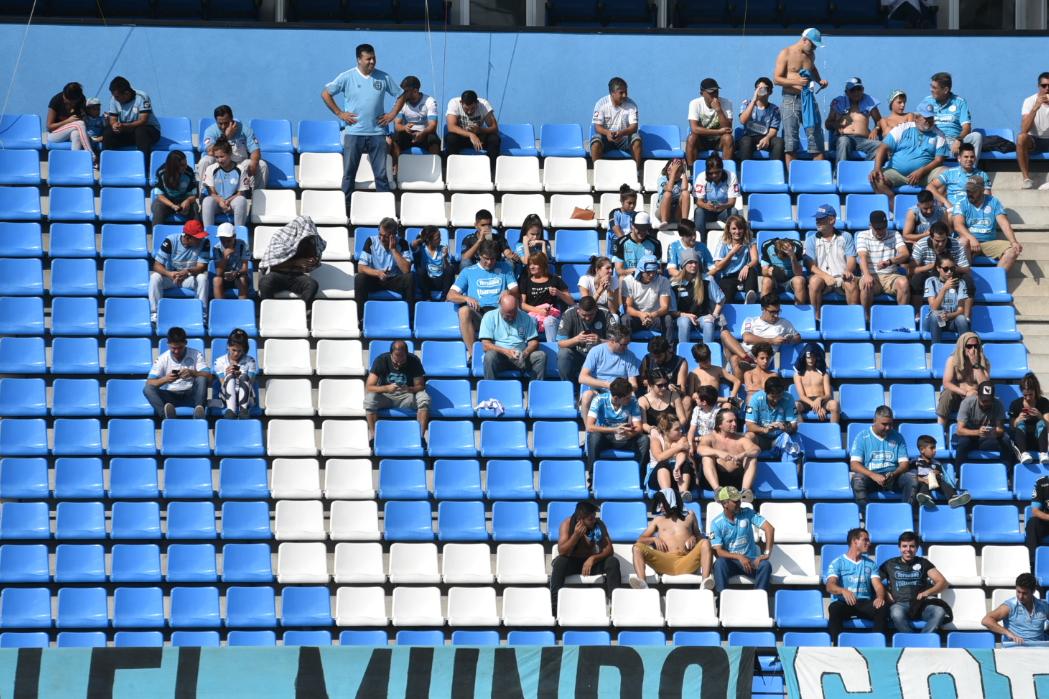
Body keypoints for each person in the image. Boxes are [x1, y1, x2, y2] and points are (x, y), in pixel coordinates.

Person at [322, 43, 406, 198]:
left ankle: (384, 207)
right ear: (359, 59)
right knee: (349, 174)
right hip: (354, 132)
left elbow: (401, 95)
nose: (372, 62)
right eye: (368, 59)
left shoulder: (384, 77)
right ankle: (346, 209)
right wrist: (340, 113)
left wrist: (392, 114)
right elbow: (326, 94)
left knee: (381, 175)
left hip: (377, 133)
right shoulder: (346, 77)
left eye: (374, 58)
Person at [447, 240, 518, 359]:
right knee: (464, 311)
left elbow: (516, 290)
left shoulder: (505, 268)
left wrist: (508, 292)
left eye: (493, 259)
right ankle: (473, 354)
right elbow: (450, 295)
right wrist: (466, 297)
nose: (489, 262)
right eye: (486, 258)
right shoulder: (468, 271)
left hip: (499, 314)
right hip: (479, 313)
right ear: (479, 255)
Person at [551, 501, 622, 615]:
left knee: (612, 562)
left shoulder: (598, 524)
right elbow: (562, 551)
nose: (594, 520)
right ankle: (555, 609)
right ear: (580, 519)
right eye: (590, 519)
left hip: (590, 564)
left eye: (594, 517)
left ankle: (616, 607)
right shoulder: (567, 523)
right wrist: (575, 535)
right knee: (560, 562)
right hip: (572, 563)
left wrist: (593, 558)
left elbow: (609, 550)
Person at [632, 489, 713, 589]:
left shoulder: (690, 516)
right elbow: (640, 539)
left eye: (663, 503)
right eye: (659, 503)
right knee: (637, 548)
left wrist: (694, 538)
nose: (660, 506)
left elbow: (699, 536)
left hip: (685, 560)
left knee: (705, 543)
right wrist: (653, 539)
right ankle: (642, 584)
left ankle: (705, 583)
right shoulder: (658, 520)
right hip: (664, 562)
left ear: (672, 501)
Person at [773, 28, 828, 166]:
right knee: (791, 142)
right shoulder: (786, 53)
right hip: (790, 99)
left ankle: (819, 180)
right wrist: (796, 81)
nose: (814, 47)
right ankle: (794, 180)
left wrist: (819, 80)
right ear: (804, 40)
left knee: (816, 139)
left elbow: (812, 68)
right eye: (813, 44)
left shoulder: (811, 55)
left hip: (808, 99)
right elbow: (777, 79)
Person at [870, 102, 949, 198]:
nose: (929, 121)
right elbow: (883, 147)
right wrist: (877, 169)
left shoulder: (939, 134)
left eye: (931, 118)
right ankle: (895, 208)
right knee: (876, 179)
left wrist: (921, 171)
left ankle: (933, 208)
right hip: (897, 172)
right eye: (925, 118)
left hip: (925, 174)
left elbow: (939, 160)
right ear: (916, 118)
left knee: (947, 174)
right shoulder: (903, 128)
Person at [879, 531, 950, 635]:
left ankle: (923, 639)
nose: (908, 550)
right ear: (899, 548)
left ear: (917, 548)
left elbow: (942, 582)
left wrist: (927, 592)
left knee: (940, 611)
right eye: (904, 546)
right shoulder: (889, 564)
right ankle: (911, 640)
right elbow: (874, 581)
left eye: (912, 546)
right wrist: (885, 593)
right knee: (896, 613)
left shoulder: (923, 563)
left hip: (920, 605)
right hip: (899, 604)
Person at [826, 528, 889, 641]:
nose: (869, 543)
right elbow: (830, 585)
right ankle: (837, 646)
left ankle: (876, 644)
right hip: (845, 603)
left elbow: (878, 586)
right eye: (865, 540)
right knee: (834, 608)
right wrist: (843, 591)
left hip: (865, 603)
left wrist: (879, 597)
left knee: (882, 607)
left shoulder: (870, 564)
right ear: (855, 541)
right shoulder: (838, 562)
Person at [849, 406, 918, 508]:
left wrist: (894, 474)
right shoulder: (862, 437)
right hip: (871, 477)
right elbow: (854, 465)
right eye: (884, 424)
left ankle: (905, 516)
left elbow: (904, 464)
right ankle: (868, 517)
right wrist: (873, 475)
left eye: (890, 424)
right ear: (874, 421)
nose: (888, 428)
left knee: (911, 479)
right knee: (857, 480)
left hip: (893, 477)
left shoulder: (898, 437)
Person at [364, 338, 430, 444]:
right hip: (386, 396)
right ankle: (374, 437)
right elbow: (369, 387)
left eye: (402, 361)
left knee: (424, 398)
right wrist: (386, 388)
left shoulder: (413, 360)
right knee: (369, 400)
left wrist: (409, 389)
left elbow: (421, 386)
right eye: (396, 361)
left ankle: (420, 437)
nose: (398, 364)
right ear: (391, 354)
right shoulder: (381, 360)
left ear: (407, 354)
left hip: (407, 396)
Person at [709, 485, 773, 592]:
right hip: (730, 563)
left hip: (750, 561)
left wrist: (766, 553)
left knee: (765, 565)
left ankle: (758, 600)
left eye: (739, 500)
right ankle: (721, 601)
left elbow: (769, 529)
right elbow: (718, 551)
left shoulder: (748, 512)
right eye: (735, 501)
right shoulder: (716, 523)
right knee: (719, 564)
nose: (739, 503)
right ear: (725, 504)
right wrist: (738, 557)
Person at [722, 293, 800, 379]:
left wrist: (790, 339)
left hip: (762, 359)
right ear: (763, 309)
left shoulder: (784, 323)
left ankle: (739, 386)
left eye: (778, 311)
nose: (776, 315)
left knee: (735, 359)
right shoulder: (751, 320)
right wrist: (771, 340)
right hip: (743, 352)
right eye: (772, 312)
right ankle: (746, 358)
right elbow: (747, 338)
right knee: (724, 333)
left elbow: (798, 337)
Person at [355, 217, 415, 329]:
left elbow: (406, 269)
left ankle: (409, 319)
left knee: (410, 278)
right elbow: (361, 267)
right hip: (376, 278)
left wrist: (393, 250)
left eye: (386, 237)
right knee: (360, 278)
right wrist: (378, 273)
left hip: (393, 279)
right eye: (380, 235)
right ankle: (361, 319)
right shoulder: (371, 241)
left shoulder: (402, 243)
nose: (382, 239)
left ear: (394, 235)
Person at [953, 177, 1023, 272]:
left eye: (973, 191)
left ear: (982, 190)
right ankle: (967, 279)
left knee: (1013, 250)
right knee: (962, 242)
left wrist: (1013, 241)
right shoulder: (961, 203)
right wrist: (971, 238)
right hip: (968, 243)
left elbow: (1004, 224)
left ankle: (996, 282)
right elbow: (958, 225)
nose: (969, 194)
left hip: (988, 243)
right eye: (968, 190)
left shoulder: (993, 202)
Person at [148, 220, 210, 325]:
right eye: (198, 237)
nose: (201, 239)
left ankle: (202, 315)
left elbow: (201, 266)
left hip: (189, 277)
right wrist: (170, 274)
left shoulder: (205, 242)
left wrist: (188, 271)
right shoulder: (171, 241)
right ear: (188, 237)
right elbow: (157, 265)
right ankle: (155, 315)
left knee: (202, 279)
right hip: (170, 277)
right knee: (155, 277)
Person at [804, 204, 859, 320]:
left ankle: (853, 319)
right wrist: (825, 276)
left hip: (841, 276)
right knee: (814, 281)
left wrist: (848, 271)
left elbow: (852, 259)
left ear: (832, 220)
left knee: (851, 281)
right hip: (821, 277)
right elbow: (811, 266)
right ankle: (815, 319)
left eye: (821, 219)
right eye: (817, 219)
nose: (817, 221)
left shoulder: (846, 236)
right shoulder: (811, 240)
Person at [143, 326, 209, 419]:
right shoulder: (163, 358)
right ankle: (166, 416)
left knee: (202, 378)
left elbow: (209, 376)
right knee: (147, 389)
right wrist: (166, 379)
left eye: (180, 347)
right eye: (173, 348)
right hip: (169, 396)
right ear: (168, 344)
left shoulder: (196, 354)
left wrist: (193, 373)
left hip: (191, 394)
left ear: (186, 343)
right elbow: (149, 382)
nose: (177, 351)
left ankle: (199, 414)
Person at [585, 377, 649, 472]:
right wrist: (614, 430)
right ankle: (592, 477)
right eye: (627, 398)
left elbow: (639, 428)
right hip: (605, 437)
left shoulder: (633, 401)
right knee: (594, 437)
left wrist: (631, 433)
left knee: (644, 439)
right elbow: (589, 427)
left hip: (624, 437)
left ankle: (639, 476)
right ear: (616, 398)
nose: (630, 399)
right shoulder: (599, 400)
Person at [258, 215, 324, 306]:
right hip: (278, 274)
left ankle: (302, 311)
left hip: (297, 276)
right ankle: (269, 309)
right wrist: (296, 262)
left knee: (312, 284)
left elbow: (311, 260)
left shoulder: (308, 240)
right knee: (265, 282)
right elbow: (273, 263)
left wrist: (312, 261)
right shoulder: (279, 237)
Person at [197, 105, 267, 191]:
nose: (223, 126)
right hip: (219, 163)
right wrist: (226, 136)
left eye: (226, 123)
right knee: (205, 161)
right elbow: (211, 152)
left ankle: (258, 196)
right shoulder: (210, 131)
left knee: (262, 165)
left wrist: (254, 164)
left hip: (240, 164)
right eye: (220, 123)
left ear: (232, 119)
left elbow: (255, 151)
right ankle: (204, 192)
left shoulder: (245, 130)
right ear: (216, 121)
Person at [479, 293, 546, 381]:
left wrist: (526, 352)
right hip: (500, 357)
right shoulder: (489, 317)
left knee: (540, 355)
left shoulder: (526, 317)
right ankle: (491, 391)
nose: (511, 318)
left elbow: (533, 342)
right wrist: (506, 351)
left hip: (521, 357)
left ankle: (536, 390)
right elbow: (486, 345)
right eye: (507, 315)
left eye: (514, 314)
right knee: (489, 356)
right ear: (500, 307)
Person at [856, 210, 910, 319]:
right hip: (872, 276)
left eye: (883, 227)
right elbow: (862, 257)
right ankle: (866, 319)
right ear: (870, 226)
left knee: (903, 282)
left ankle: (902, 318)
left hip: (891, 275)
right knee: (866, 285)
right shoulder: (862, 235)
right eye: (877, 228)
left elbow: (905, 254)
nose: (880, 231)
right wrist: (866, 275)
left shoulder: (895, 234)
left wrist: (890, 261)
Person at [578, 326, 640, 417]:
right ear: (612, 341)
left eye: (627, 344)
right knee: (587, 396)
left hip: (621, 393)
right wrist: (607, 385)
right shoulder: (596, 351)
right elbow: (582, 378)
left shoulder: (630, 356)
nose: (626, 347)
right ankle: (589, 428)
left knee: (632, 396)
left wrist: (622, 390)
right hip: (599, 391)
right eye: (623, 344)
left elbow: (634, 384)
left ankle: (631, 427)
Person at [698, 410, 759, 501]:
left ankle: (745, 492)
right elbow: (700, 449)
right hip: (716, 480)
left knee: (751, 458)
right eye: (730, 421)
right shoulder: (710, 438)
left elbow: (756, 449)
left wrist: (743, 454)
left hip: (736, 480)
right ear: (719, 424)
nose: (734, 424)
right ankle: (717, 491)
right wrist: (718, 452)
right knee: (707, 457)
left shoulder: (741, 439)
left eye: (735, 421)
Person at [921, 72, 982, 161]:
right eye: (931, 86)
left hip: (954, 144)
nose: (931, 90)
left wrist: (958, 140)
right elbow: (920, 125)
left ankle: (970, 172)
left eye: (934, 88)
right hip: (934, 143)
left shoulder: (960, 102)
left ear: (945, 90)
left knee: (977, 136)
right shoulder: (927, 101)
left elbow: (967, 128)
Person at [955, 381, 1017, 467]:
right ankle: (959, 476)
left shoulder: (998, 404)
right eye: (983, 400)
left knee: (1006, 441)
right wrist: (977, 432)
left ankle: (1007, 473)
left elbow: (1000, 429)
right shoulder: (967, 403)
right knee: (962, 443)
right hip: (969, 437)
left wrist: (992, 432)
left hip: (988, 438)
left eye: (989, 400)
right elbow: (959, 430)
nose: (985, 403)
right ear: (978, 396)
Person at [556, 296, 616, 384]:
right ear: (578, 311)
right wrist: (576, 340)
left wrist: (600, 341)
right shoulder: (569, 314)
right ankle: (569, 387)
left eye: (591, 315)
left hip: (598, 357)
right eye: (584, 315)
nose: (587, 318)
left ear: (596, 310)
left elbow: (617, 343)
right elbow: (560, 343)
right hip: (577, 355)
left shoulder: (605, 314)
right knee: (563, 354)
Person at [671, 249, 725, 345]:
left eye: (696, 262)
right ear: (683, 265)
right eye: (690, 262)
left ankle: (707, 354)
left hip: (702, 316)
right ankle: (684, 354)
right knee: (684, 322)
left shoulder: (707, 279)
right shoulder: (674, 283)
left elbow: (720, 300)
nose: (694, 265)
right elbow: (671, 311)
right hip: (682, 317)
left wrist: (714, 315)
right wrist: (686, 315)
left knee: (709, 323)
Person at [937, 332, 991, 426]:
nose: (973, 349)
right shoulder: (952, 360)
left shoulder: (984, 362)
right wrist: (965, 392)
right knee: (947, 393)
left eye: (976, 346)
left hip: (976, 398)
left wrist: (975, 365)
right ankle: (940, 430)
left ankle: (973, 431)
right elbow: (946, 383)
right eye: (969, 346)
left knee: (975, 395)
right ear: (962, 346)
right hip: (957, 397)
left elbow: (985, 386)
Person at [910, 220, 970, 305]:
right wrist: (931, 266)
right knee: (916, 279)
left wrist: (948, 268)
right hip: (928, 273)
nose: (941, 244)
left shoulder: (956, 244)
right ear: (931, 237)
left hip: (950, 274)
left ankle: (966, 314)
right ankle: (917, 313)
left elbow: (966, 269)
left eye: (944, 240)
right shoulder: (921, 244)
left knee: (968, 280)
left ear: (947, 236)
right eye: (937, 241)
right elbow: (912, 270)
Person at [825, 77, 882, 163]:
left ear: (863, 90)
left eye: (858, 89)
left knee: (881, 146)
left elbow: (880, 121)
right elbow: (827, 123)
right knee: (844, 141)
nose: (856, 92)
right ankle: (840, 173)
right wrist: (836, 125)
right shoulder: (839, 102)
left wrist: (876, 129)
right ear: (846, 92)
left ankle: (864, 170)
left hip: (863, 140)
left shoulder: (869, 102)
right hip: (843, 138)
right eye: (852, 90)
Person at [390, 75, 440, 173]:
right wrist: (404, 128)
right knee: (395, 138)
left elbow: (433, 125)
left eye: (406, 91)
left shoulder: (429, 101)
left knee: (434, 140)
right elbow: (397, 125)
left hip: (424, 133)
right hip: (408, 134)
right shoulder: (400, 101)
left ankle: (434, 171)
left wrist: (423, 133)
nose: (403, 94)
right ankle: (397, 168)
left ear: (415, 91)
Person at [981, 573, 1049, 645]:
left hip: (1039, 649)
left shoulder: (1043, 606)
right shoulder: (1009, 606)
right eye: (1018, 592)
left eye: (1024, 593)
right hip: (1015, 649)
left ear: (1033, 591)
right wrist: (1008, 633)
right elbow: (986, 620)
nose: (1020, 596)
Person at [518, 252, 571, 343]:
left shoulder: (555, 280)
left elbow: (571, 302)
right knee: (531, 320)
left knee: (549, 321)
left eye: (535, 264)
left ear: (542, 265)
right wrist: (539, 311)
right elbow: (521, 304)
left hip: (551, 316)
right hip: (533, 315)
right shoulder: (525, 281)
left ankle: (554, 350)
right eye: (530, 264)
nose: (531, 267)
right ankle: (530, 347)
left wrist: (559, 293)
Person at [592, 77, 641, 169]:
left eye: (626, 92)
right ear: (612, 93)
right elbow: (597, 127)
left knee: (637, 140)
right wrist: (608, 133)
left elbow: (634, 127)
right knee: (595, 143)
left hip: (624, 139)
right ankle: (597, 174)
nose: (624, 95)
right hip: (606, 139)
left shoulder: (632, 105)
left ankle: (636, 174)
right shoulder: (600, 104)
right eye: (621, 93)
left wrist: (621, 133)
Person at [922, 253, 972, 343]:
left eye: (952, 269)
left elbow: (961, 310)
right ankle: (936, 348)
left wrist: (948, 316)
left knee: (962, 319)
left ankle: (965, 350)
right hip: (934, 320)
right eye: (945, 269)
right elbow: (934, 308)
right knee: (935, 315)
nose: (949, 272)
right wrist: (944, 288)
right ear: (938, 268)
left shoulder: (960, 283)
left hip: (951, 319)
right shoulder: (931, 282)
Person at [102, 76, 160, 152]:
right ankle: (109, 160)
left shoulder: (142, 97)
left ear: (126, 93)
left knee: (140, 131)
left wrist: (124, 126)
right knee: (108, 132)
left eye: (117, 97)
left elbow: (143, 120)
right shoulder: (114, 99)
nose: (115, 99)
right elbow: (113, 119)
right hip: (127, 132)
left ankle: (145, 161)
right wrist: (114, 125)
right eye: (114, 96)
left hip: (149, 132)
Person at [745, 376, 800, 456]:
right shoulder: (756, 399)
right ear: (765, 392)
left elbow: (794, 426)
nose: (776, 400)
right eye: (773, 397)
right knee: (749, 437)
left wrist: (785, 426)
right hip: (761, 438)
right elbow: (749, 426)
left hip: (780, 438)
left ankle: (791, 466)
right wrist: (764, 429)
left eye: (779, 396)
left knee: (794, 439)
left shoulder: (789, 398)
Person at [621, 255, 673, 339]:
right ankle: (626, 348)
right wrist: (641, 315)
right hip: (636, 317)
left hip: (655, 316)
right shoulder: (628, 281)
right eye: (648, 272)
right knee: (625, 319)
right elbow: (628, 308)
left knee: (668, 319)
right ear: (641, 271)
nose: (652, 275)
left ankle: (669, 350)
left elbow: (665, 307)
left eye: (654, 271)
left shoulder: (663, 281)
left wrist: (651, 315)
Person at [646, 415, 695, 502]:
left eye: (680, 428)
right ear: (666, 431)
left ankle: (683, 493)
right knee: (663, 463)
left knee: (685, 463)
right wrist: (678, 447)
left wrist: (677, 466)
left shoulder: (682, 438)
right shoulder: (656, 439)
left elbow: (682, 454)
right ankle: (667, 495)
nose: (680, 431)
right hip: (658, 478)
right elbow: (659, 457)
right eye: (676, 429)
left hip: (678, 476)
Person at [913, 434, 970, 508]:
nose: (935, 450)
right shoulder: (915, 462)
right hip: (923, 484)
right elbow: (912, 477)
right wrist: (924, 480)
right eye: (932, 448)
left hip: (937, 483)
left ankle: (953, 498)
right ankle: (925, 497)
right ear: (922, 450)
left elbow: (942, 476)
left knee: (943, 482)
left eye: (935, 448)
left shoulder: (937, 463)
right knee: (925, 484)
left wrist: (938, 473)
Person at [201, 140, 249, 228]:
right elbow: (211, 192)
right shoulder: (211, 169)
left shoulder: (240, 169)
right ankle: (208, 234)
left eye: (222, 156)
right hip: (217, 202)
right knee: (207, 201)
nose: (219, 160)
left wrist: (227, 201)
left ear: (230, 154)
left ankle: (239, 233)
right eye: (216, 157)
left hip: (232, 203)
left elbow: (241, 192)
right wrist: (220, 201)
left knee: (241, 200)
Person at [445, 90, 500, 167]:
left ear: (477, 103)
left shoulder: (484, 105)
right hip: (461, 137)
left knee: (494, 139)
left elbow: (494, 128)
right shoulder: (454, 103)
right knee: (451, 138)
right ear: (461, 102)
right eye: (466, 109)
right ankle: (453, 168)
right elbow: (451, 127)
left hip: (479, 138)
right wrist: (470, 135)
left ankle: (490, 169)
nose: (470, 112)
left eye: (473, 108)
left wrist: (480, 130)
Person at [686, 77, 734, 166]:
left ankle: (727, 171)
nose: (715, 95)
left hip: (719, 141)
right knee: (692, 138)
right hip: (702, 141)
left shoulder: (726, 103)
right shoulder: (695, 103)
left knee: (728, 138)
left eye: (716, 91)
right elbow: (694, 129)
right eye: (711, 93)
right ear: (702, 93)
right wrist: (718, 131)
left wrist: (719, 110)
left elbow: (728, 128)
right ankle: (692, 171)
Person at [928, 142, 990, 208]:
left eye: (972, 157)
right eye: (966, 157)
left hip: (973, 212)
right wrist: (945, 201)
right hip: (953, 212)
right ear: (959, 158)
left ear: (975, 158)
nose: (969, 159)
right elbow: (930, 187)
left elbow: (986, 197)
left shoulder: (982, 175)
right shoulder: (950, 173)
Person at [736, 76, 784, 162]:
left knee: (779, 142)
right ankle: (746, 170)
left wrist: (767, 138)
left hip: (766, 138)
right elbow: (742, 120)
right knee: (746, 141)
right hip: (749, 137)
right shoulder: (746, 103)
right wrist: (754, 101)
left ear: (770, 92)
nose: (760, 91)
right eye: (758, 88)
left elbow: (774, 130)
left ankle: (775, 170)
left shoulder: (775, 109)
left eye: (763, 89)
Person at [213, 328, 257, 419]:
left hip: (247, 397)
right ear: (228, 346)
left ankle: (243, 411)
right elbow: (222, 383)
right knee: (229, 376)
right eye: (234, 350)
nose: (236, 354)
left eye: (240, 351)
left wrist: (240, 374)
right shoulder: (219, 361)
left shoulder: (251, 361)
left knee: (244, 376)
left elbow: (251, 382)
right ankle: (231, 411)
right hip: (226, 397)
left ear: (244, 349)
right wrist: (227, 374)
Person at [692, 154, 740, 236]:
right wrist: (706, 206)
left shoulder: (731, 176)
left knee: (733, 211)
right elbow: (698, 202)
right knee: (699, 211)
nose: (714, 175)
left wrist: (723, 206)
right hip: (707, 211)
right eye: (711, 173)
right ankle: (700, 242)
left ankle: (732, 241)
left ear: (722, 169)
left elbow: (732, 202)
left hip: (724, 210)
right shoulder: (701, 177)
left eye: (717, 172)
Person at [685, 343, 742, 412]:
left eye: (709, 359)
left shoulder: (718, 370)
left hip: (716, 403)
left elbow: (737, 381)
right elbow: (691, 395)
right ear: (697, 361)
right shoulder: (693, 374)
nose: (708, 363)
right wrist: (696, 396)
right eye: (705, 362)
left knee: (727, 405)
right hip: (702, 404)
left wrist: (732, 396)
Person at [45, 81, 93, 162]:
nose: (70, 104)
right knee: (79, 124)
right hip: (54, 135)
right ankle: (91, 155)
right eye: (67, 101)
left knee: (76, 133)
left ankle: (75, 162)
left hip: (71, 133)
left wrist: (84, 117)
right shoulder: (56, 100)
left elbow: (83, 117)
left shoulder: (81, 99)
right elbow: (49, 126)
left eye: (74, 102)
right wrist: (67, 121)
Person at [793, 342, 839, 423]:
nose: (810, 360)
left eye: (813, 357)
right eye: (808, 357)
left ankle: (833, 431)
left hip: (822, 400)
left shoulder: (824, 373)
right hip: (806, 401)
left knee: (835, 404)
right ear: (804, 357)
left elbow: (828, 395)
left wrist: (819, 399)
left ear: (817, 357)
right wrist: (815, 405)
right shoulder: (798, 375)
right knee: (795, 406)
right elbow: (802, 396)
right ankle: (802, 431)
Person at [1018, 72, 1049, 190]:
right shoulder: (1029, 101)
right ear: (1038, 86)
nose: (1047, 89)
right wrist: (1035, 108)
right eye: (1044, 85)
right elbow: (1024, 129)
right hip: (1035, 140)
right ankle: (1026, 179)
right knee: (1021, 137)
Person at [151, 150, 198, 225]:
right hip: (166, 202)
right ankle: (157, 234)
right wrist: (172, 206)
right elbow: (160, 196)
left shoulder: (189, 172)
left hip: (183, 201)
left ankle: (196, 235)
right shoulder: (161, 172)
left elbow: (193, 195)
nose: (185, 167)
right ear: (173, 166)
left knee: (194, 207)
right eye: (182, 165)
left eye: (186, 163)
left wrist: (188, 201)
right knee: (158, 207)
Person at [1010, 373, 1049, 465]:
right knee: (1020, 424)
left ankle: (1043, 453)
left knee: (1041, 423)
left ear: (1036, 391)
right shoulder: (1016, 404)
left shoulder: (1044, 402)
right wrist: (1018, 419)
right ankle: (1023, 453)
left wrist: (1040, 416)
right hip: (1022, 440)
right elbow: (1012, 427)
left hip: (1039, 440)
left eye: (1030, 395)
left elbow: (1048, 427)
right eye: (1025, 395)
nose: (1028, 398)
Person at [759, 236, 810, 303]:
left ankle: (799, 311)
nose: (785, 259)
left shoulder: (797, 247)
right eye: (782, 257)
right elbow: (764, 272)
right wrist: (768, 271)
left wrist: (792, 256)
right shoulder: (767, 246)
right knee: (766, 281)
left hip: (791, 281)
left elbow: (799, 273)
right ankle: (765, 309)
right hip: (775, 281)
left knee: (799, 280)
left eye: (786, 256)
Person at [410, 225, 454, 301]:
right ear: (429, 240)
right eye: (437, 238)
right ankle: (427, 298)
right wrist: (423, 239)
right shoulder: (421, 249)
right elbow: (413, 244)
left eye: (440, 237)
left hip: (439, 281)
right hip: (427, 282)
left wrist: (445, 257)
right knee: (420, 271)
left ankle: (444, 298)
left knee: (450, 269)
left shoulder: (442, 249)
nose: (440, 240)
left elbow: (447, 268)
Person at [612, 212, 660, 277]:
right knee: (622, 278)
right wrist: (637, 271)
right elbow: (619, 270)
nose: (642, 231)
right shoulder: (620, 243)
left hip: (649, 278)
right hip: (629, 277)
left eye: (645, 228)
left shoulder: (655, 243)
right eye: (639, 228)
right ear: (632, 226)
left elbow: (659, 270)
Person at [212, 223, 250, 301]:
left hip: (238, 276)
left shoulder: (243, 245)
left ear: (234, 236)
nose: (225, 244)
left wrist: (236, 273)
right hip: (224, 278)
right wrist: (224, 257)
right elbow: (218, 273)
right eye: (222, 240)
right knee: (216, 280)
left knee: (242, 279)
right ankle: (221, 308)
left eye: (228, 240)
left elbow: (245, 268)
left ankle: (242, 307)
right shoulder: (217, 248)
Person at [655, 159, 691, 225]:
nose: (678, 173)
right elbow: (669, 188)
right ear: (668, 170)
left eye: (680, 171)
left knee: (685, 193)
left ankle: (685, 222)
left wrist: (684, 171)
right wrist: (673, 173)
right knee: (667, 194)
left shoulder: (681, 181)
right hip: (663, 212)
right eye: (676, 170)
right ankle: (664, 222)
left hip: (676, 212)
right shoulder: (662, 179)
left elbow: (685, 188)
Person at [1026, 476, 1049, 568]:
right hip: (1047, 520)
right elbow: (1035, 511)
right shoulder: (1042, 482)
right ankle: (1033, 563)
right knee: (1032, 523)